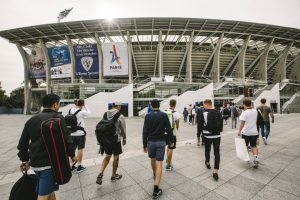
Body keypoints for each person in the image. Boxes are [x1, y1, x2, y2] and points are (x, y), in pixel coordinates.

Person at [17, 94, 76, 200]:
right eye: (59, 104)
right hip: (49, 165)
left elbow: (22, 143)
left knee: (50, 191)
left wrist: (24, 159)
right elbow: (67, 139)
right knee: (43, 196)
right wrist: (72, 155)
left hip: (35, 163)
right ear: (55, 104)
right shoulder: (58, 118)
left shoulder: (31, 120)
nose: (59, 106)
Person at [143, 99, 174, 199]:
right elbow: (169, 130)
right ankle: (156, 189)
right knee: (159, 162)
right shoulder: (164, 115)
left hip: (151, 142)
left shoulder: (147, 116)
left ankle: (154, 173)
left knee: (152, 159)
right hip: (161, 141)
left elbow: (145, 131)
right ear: (159, 105)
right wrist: (171, 141)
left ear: (151, 106)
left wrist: (144, 145)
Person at [96, 101, 126, 185]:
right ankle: (113, 175)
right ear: (118, 106)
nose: (120, 107)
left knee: (107, 156)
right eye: (120, 105)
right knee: (116, 158)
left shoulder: (105, 113)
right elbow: (123, 129)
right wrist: (124, 139)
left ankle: (100, 173)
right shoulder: (120, 115)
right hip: (116, 140)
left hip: (106, 139)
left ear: (113, 106)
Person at [197, 99, 222, 181]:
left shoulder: (203, 113)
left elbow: (199, 125)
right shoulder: (218, 112)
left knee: (207, 150)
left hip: (207, 135)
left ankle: (207, 162)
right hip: (217, 135)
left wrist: (198, 136)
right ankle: (215, 171)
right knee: (217, 152)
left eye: (204, 105)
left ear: (206, 104)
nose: (203, 106)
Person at [69, 99, 91, 173]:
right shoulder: (82, 112)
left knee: (72, 150)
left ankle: (72, 166)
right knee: (80, 149)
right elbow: (89, 112)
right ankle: (79, 166)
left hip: (71, 133)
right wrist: (85, 106)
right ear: (82, 104)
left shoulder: (71, 110)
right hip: (80, 133)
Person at [238, 99, 260, 168]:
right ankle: (256, 159)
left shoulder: (244, 113)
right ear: (250, 104)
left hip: (246, 132)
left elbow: (242, 123)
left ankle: (247, 159)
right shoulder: (255, 111)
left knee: (245, 146)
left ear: (244, 104)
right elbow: (256, 122)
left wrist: (239, 131)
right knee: (254, 146)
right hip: (254, 132)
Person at [165, 99, 180, 171]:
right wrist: (176, 132)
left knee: (168, 146)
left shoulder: (165, 111)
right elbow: (177, 125)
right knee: (171, 148)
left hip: (165, 133)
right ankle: (168, 165)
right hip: (172, 133)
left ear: (169, 104)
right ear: (175, 104)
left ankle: (168, 160)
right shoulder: (176, 113)